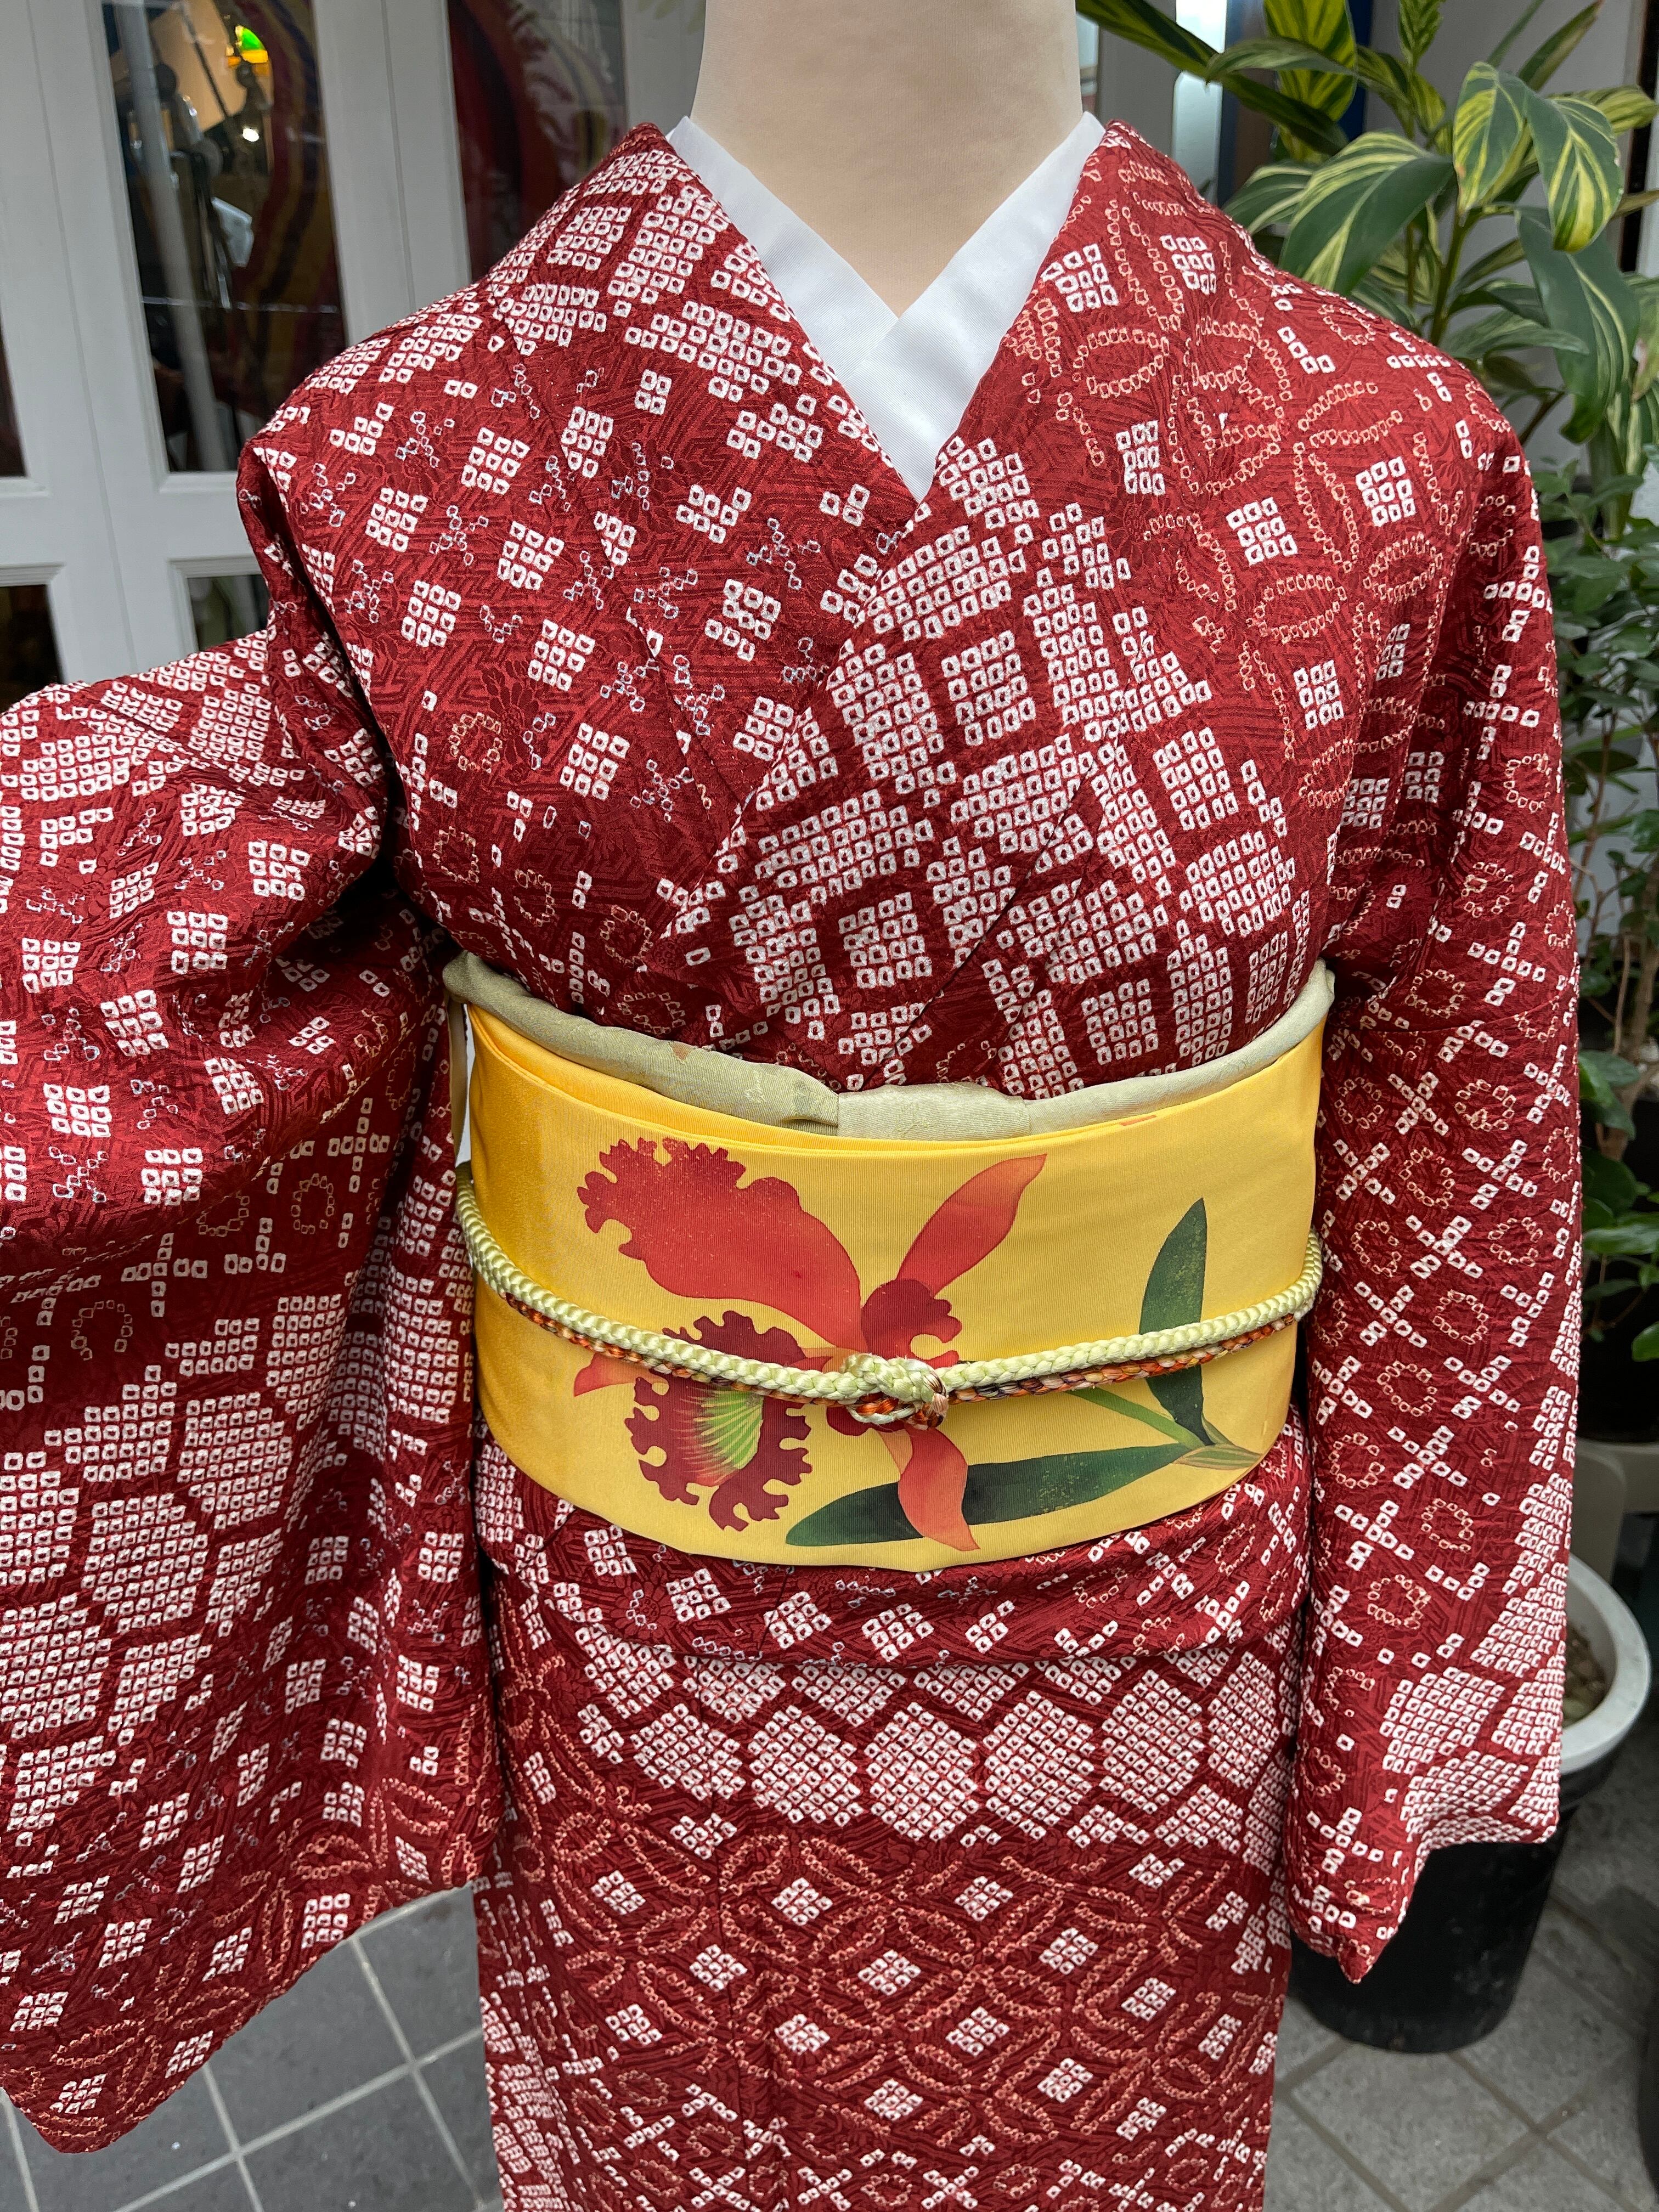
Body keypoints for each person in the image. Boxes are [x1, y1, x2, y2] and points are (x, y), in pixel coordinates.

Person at [0, 4, 1577, 2206]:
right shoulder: (410, 451)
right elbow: (143, 976)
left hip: (1153, 1679)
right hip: (638, 1673)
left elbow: (1459, 1150)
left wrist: (1412, 1699)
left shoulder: (1389, 459)